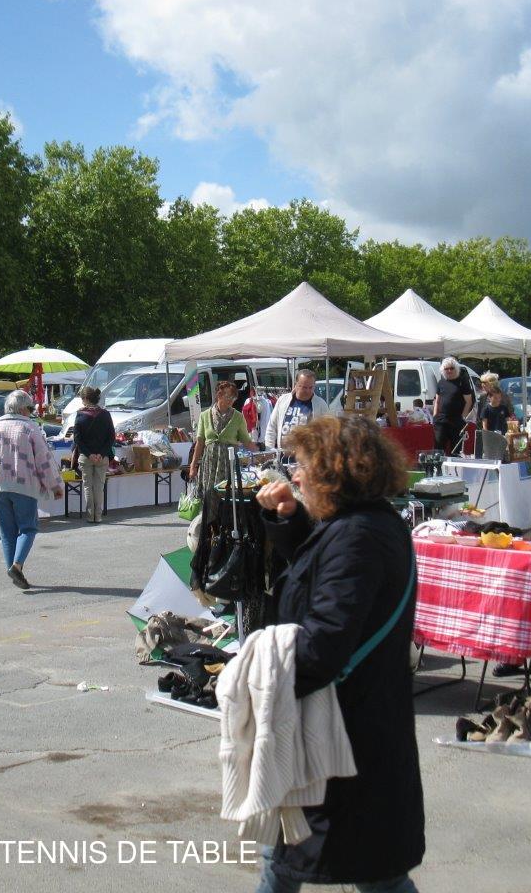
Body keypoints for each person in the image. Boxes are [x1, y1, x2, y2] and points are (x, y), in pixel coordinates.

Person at [253, 416, 423, 892]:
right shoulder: (361, 524)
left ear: (333, 471)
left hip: (341, 732)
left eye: (303, 464)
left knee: (294, 862)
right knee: (375, 871)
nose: (295, 474)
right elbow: (322, 581)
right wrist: (291, 520)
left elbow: (325, 642)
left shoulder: (358, 535)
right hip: (355, 730)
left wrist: (254, 671)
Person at [0, 390, 62, 591]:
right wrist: (54, 485)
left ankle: (14, 571)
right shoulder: (29, 428)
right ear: (23, 409)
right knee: (28, 528)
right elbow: (43, 460)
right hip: (24, 485)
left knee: (7, 533)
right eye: (30, 408)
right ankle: (16, 566)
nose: (31, 412)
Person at [188, 380, 257, 498]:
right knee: (209, 494)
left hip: (228, 463)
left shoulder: (238, 417)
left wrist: (260, 454)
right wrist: (193, 466)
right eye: (228, 396)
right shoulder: (204, 416)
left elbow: (246, 441)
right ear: (219, 395)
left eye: (233, 397)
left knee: (227, 496)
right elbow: (200, 443)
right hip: (210, 464)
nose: (231, 400)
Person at [69, 385, 115, 523]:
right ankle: (98, 516)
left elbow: (77, 439)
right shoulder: (105, 414)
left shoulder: (80, 414)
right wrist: (101, 453)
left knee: (88, 487)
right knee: (99, 487)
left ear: (85, 399)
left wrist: (89, 454)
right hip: (102, 457)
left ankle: (90, 516)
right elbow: (111, 437)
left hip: (85, 456)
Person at [265, 370, 329, 450]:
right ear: (296, 385)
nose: (308, 391)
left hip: (307, 455)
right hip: (283, 454)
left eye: (311, 387)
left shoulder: (321, 405)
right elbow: (272, 427)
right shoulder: (283, 400)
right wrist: (269, 449)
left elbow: (327, 433)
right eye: (304, 387)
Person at [431, 356, 474, 454]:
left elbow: (469, 401)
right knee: (438, 448)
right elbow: (437, 401)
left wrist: (463, 418)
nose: (449, 371)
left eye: (452, 368)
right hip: (441, 421)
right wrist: (435, 416)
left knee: (455, 450)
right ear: (443, 370)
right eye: (447, 369)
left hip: (457, 421)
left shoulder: (462, 382)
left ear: (456, 369)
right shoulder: (441, 382)